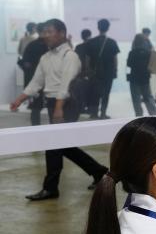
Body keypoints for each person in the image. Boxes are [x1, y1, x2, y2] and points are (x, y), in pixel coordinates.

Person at [9, 19, 107, 200]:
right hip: (53, 103)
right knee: (64, 145)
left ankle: (50, 188)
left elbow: (65, 85)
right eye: (44, 32)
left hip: (67, 104)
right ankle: (99, 171)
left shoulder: (70, 56)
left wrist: (59, 108)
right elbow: (36, 82)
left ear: (61, 33)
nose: (45, 35)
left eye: (50, 31)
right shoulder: (46, 57)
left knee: (53, 144)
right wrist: (19, 99)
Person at [89, 18, 120, 120]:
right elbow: (115, 59)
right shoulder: (112, 42)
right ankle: (103, 113)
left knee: (95, 93)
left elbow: (87, 58)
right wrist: (115, 70)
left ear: (98, 27)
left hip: (95, 72)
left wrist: (89, 71)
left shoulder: (92, 41)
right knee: (106, 93)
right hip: (108, 73)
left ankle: (94, 114)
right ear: (108, 28)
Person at [17, 24, 47, 126]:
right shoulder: (47, 45)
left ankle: (36, 127)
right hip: (44, 79)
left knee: (36, 107)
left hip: (34, 79)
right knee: (46, 106)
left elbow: (23, 58)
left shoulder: (30, 44)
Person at [127, 33, 156, 116]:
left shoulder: (132, 53)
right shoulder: (148, 53)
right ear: (143, 42)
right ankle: (154, 113)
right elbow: (152, 65)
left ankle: (139, 115)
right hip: (145, 78)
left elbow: (129, 65)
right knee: (148, 97)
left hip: (134, 78)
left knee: (136, 99)